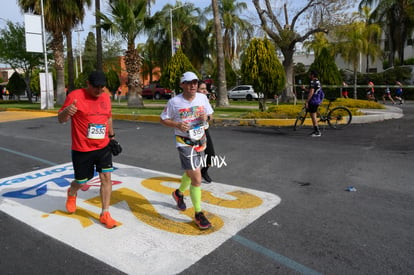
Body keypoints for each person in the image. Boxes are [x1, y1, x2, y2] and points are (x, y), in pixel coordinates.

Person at [57, 71, 119, 229]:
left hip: (103, 146)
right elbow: (60, 119)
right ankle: (72, 192)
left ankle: (105, 213)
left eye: (102, 87)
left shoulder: (105, 96)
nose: (99, 90)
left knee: (106, 178)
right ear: (88, 84)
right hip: (82, 149)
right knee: (82, 180)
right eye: (96, 87)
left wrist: (112, 137)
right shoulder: (75, 96)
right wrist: (66, 112)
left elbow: (108, 117)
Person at [160, 71, 213, 230]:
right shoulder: (174, 102)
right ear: (182, 84)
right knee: (197, 177)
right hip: (184, 142)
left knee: (192, 172)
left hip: (200, 140)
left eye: (195, 82)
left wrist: (207, 118)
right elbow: (163, 119)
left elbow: (211, 116)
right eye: (189, 83)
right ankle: (198, 213)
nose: (192, 86)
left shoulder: (202, 98)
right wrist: (176, 125)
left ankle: (178, 193)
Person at [196, 80, 215, 183]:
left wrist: (206, 117)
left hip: (203, 129)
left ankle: (204, 171)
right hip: (191, 131)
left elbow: (210, 116)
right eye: (202, 89)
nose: (205, 91)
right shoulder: (189, 100)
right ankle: (193, 175)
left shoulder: (205, 100)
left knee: (211, 155)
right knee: (193, 157)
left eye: (205, 89)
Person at [302, 70, 322, 137]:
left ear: (312, 75)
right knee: (314, 115)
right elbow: (312, 90)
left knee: (313, 117)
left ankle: (317, 131)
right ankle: (316, 130)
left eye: (310, 74)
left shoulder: (312, 82)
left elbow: (311, 92)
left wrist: (307, 101)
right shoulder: (318, 81)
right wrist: (305, 89)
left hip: (313, 101)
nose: (309, 75)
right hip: (317, 100)